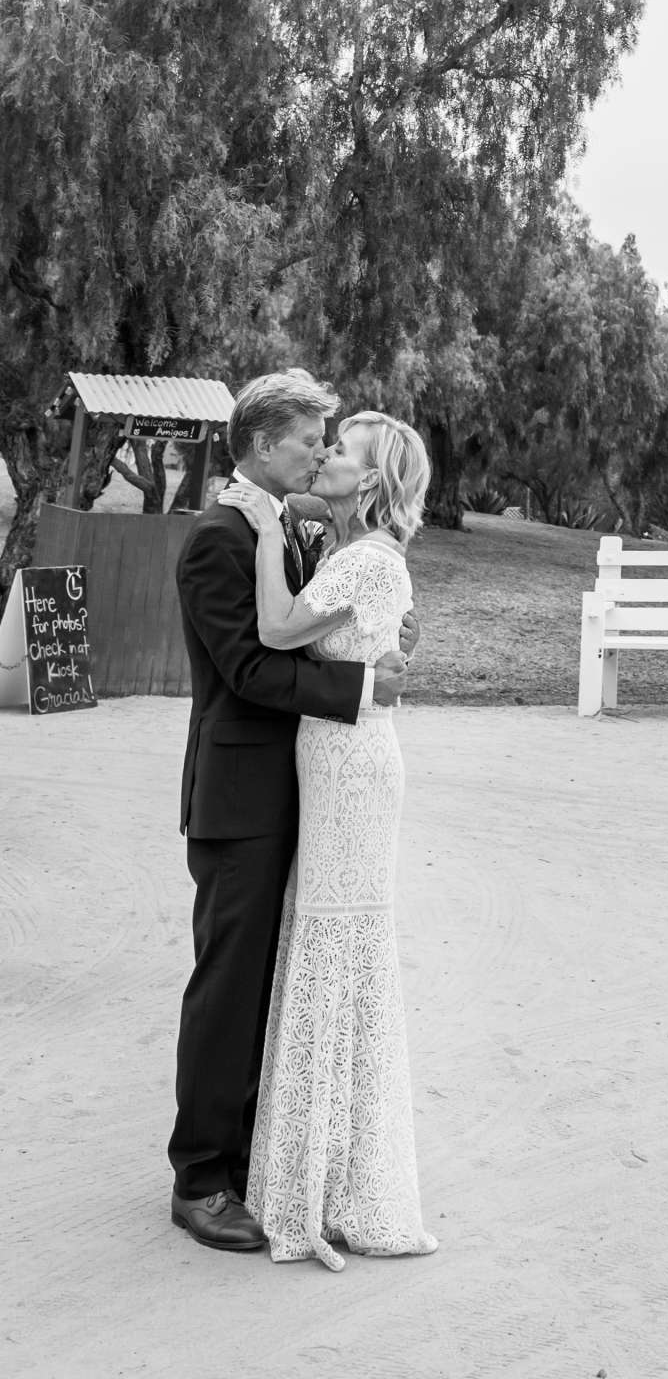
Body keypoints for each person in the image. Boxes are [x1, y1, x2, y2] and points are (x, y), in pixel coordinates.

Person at [168, 370, 415, 1253]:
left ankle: (246, 1162)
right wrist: (360, 684)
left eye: (329, 439)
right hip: (240, 803)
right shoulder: (218, 537)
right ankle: (199, 1179)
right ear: (266, 445)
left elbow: (321, 617)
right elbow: (250, 671)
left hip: (306, 797)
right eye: (311, 437)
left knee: (272, 988)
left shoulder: (294, 524)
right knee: (229, 990)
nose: (320, 448)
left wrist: (380, 634)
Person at [222, 411, 438, 1270]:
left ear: (373, 481)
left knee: (330, 949)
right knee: (338, 954)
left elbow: (275, 630)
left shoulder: (359, 558)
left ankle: (317, 1191)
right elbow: (380, 647)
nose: (326, 455)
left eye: (342, 451)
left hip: (349, 772)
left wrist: (265, 528)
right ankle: (339, 1184)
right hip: (349, 760)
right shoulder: (369, 558)